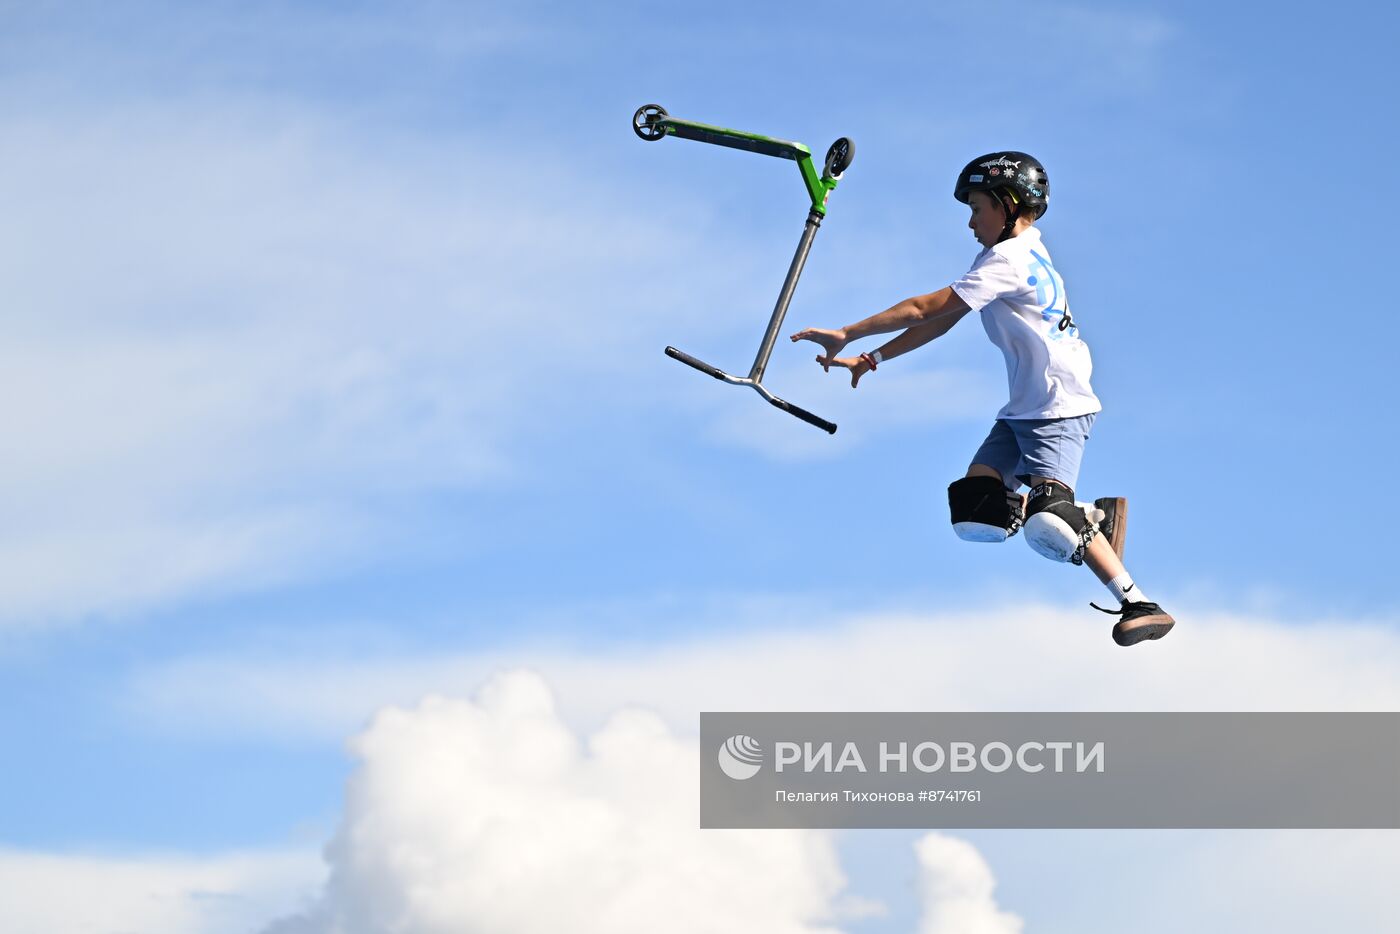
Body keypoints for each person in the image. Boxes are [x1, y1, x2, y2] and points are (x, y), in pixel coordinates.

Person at [789, 152, 1174, 647]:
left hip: (1060, 408)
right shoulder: (1011, 255)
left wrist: (847, 331)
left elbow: (923, 306)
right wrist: (873, 358)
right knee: (977, 510)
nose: (970, 221)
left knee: (1050, 523)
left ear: (1007, 205)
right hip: (1023, 410)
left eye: (976, 208)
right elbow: (941, 320)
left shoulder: (1009, 262)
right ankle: (1071, 515)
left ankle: (1135, 597)